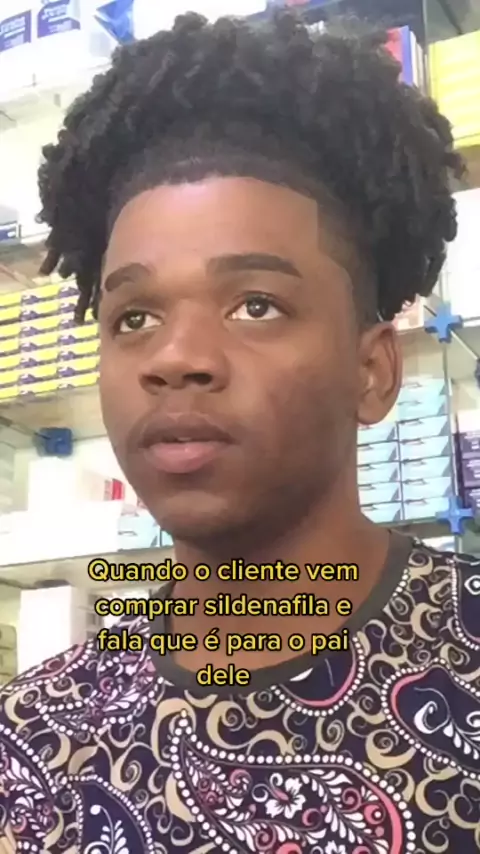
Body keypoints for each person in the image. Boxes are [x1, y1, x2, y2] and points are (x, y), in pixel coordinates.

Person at [1, 9, 478, 854]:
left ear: (372, 371)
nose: (175, 358)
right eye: (135, 316)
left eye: (256, 305)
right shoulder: (34, 737)